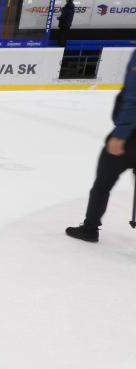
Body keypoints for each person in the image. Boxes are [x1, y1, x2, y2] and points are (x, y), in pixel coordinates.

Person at [66, 50, 136, 242]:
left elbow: (133, 99)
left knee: (102, 184)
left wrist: (120, 135)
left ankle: (90, 229)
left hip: (129, 138)